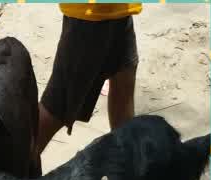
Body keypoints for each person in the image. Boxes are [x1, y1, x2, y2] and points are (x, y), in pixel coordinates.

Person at [36, 3, 141, 155]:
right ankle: (15, 168)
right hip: (91, 16)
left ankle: (125, 162)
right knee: (58, 106)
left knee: (123, 84)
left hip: (118, 11)